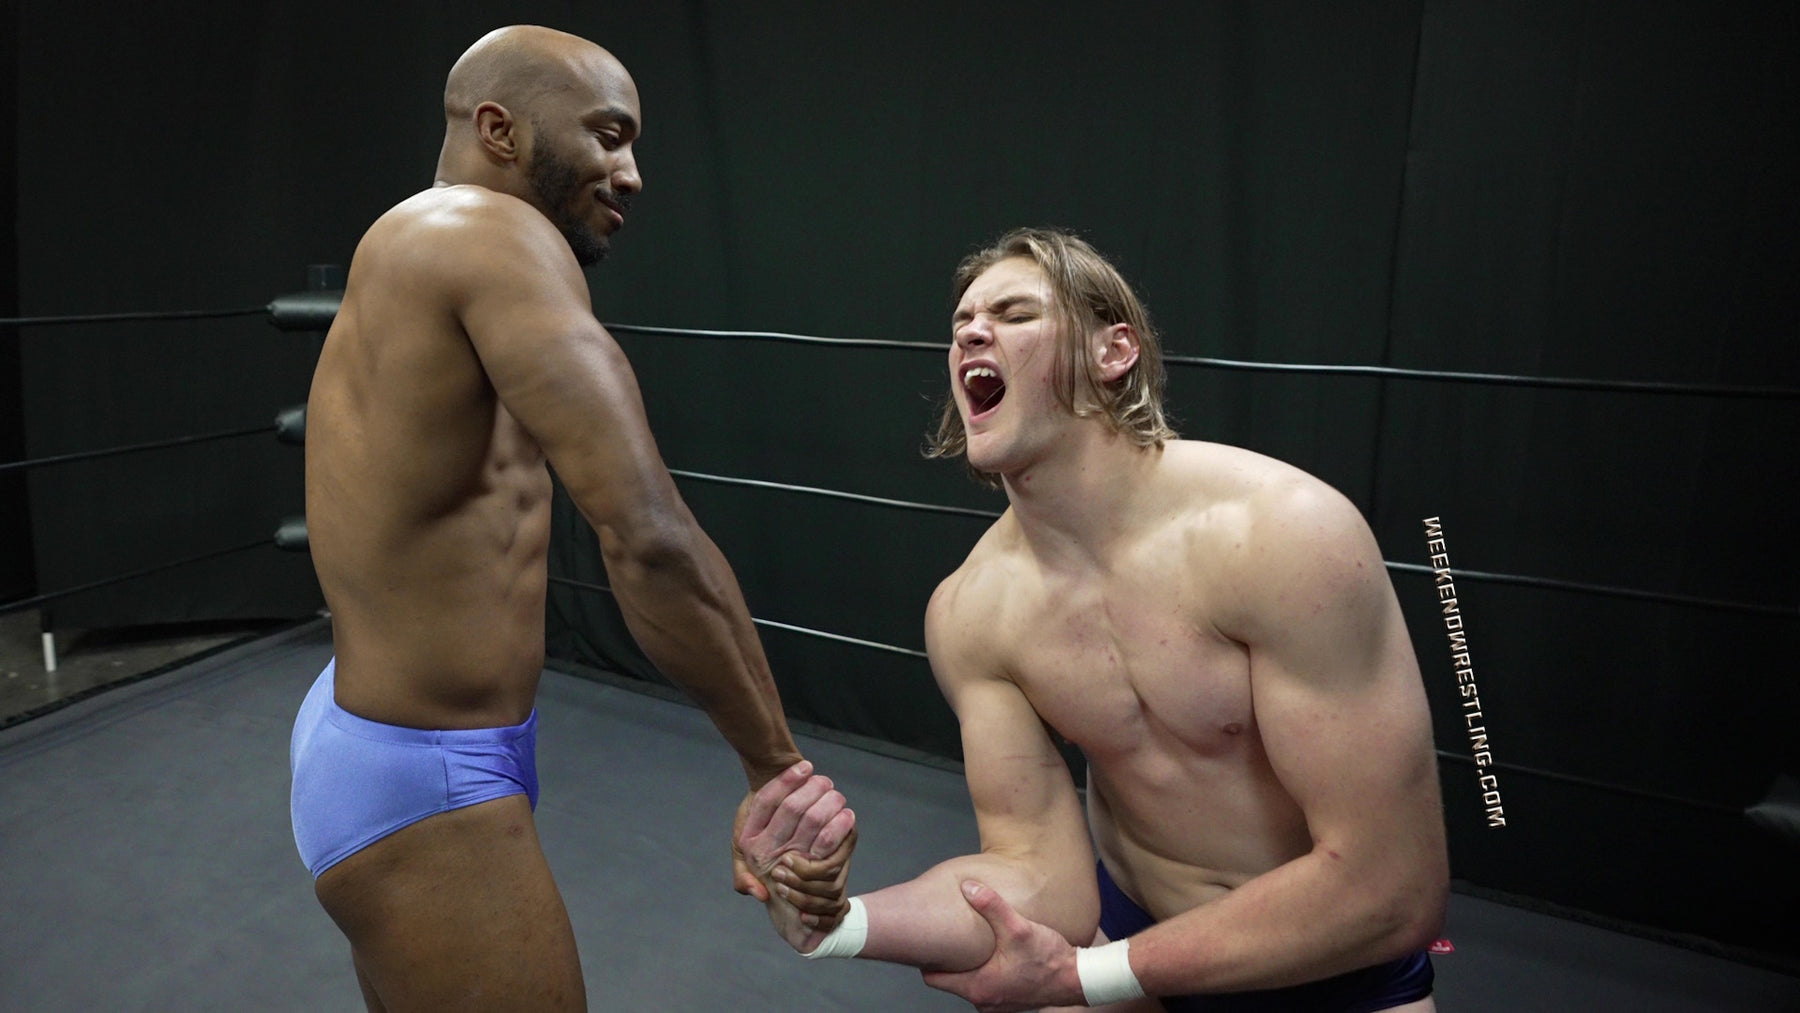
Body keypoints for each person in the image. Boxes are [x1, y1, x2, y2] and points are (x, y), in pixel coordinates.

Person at [290, 25, 852, 1011]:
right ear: (500, 129)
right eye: (607, 134)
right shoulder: (490, 236)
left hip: (386, 737)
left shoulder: (417, 242)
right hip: (427, 777)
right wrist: (776, 767)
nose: (631, 173)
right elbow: (648, 537)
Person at [751, 227, 1448, 1012]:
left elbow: (1393, 888)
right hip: (1131, 932)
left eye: (1015, 314)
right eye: (962, 323)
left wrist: (1083, 975)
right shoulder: (972, 609)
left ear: (1113, 352)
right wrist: (837, 921)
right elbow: (1036, 876)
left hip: (1330, 960)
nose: (972, 332)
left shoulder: (1282, 533)